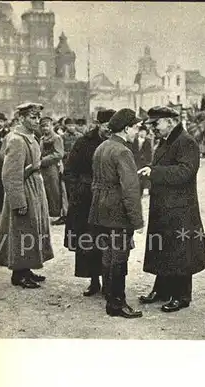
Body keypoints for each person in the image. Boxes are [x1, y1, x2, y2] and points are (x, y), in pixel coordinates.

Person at [138, 106, 205, 313]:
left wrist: (155, 172)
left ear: (170, 121)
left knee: (180, 252)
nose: (153, 128)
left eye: (156, 123)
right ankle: (161, 290)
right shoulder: (166, 140)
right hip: (164, 206)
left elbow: (185, 172)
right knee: (163, 248)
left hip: (180, 208)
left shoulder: (186, 141)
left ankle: (182, 296)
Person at [88, 108, 144, 319]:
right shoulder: (123, 151)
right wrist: (136, 219)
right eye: (136, 127)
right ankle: (117, 303)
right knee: (119, 257)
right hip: (118, 211)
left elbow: (96, 181)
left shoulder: (102, 147)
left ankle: (111, 298)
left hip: (101, 209)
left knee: (108, 255)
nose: (137, 132)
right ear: (126, 128)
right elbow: (130, 189)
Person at [0, 102, 54, 288]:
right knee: (21, 232)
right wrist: (18, 201)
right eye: (32, 117)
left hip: (33, 188)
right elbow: (10, 174)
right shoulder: (17, 140)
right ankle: (19, 274)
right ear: (21, 118)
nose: (37, 121)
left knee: (31, 230)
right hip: (23, 190)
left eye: (38, 117)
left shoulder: (29, 136)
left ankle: (26, 269)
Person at [63, 109, 116, 297]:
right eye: (107, 126)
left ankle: (109, 282)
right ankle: (94, 281)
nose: (110, 130)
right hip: (86, 200)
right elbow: (68, 171)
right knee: (89, 242)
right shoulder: (83, 143)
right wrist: (78, 190)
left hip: (109, 200)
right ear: (98, 124)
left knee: (109, 241)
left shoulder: (117, 143)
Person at [39, 116, 65, 223]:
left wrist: (43, 160)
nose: (45, 128)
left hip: (52, 168)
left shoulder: (56, 138)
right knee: (44, 190)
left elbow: (59, 154)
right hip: (42, 169)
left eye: (47, 126)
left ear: (52, 126)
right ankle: (47, 214)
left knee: (54, 190)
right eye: (43, 126)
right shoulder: (41, 138)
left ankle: (55, 214)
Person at [131, 124, 153, 196]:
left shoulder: (148, 141)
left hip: (144, 163)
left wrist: (148, 161)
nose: (142, 133)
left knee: (143, 178)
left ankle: (143, 190)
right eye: (141, 131)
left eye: (144, 132)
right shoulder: (134, 140)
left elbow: (149, 152)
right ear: (138, 132)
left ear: (146, 133)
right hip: (135, 162)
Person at [0, 112, 9, 213]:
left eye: (1, 121)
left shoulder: (8, 134)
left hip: (4, 163)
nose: (0, 124)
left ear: (4, 123)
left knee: (2, 184)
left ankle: (0, 207)